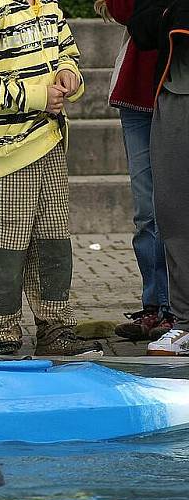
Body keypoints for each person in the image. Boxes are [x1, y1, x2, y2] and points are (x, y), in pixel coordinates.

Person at [0, 0, 103, 356]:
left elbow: (68, 52)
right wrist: (37, 96)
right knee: (8, 246)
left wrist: (70, 76)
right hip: (6, 154)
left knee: (53, 240)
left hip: (49, 141)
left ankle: (55, 326)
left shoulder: (48, 8)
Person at [96, 0, 174, 343]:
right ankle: (154, 305)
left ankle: (177, 309)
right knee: (147, 212)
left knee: (174, 209)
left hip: (175, 87)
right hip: (136, 93)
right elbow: (122, 9)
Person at [128, 0, 189, 355]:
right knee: (175, 214)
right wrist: (171, 16)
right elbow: (141, 27)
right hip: (178, 95)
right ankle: (185, 322)